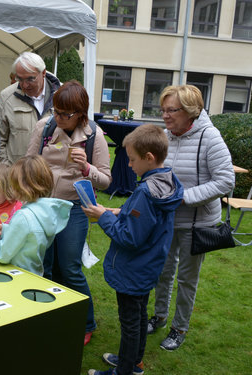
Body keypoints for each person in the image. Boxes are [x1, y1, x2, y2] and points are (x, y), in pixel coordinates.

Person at [84, 125, 184, 375]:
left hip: (133, 269)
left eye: (132, 159)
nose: (129, 165)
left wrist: (102, 218)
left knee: (130, 322)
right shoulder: (167, 181)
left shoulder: (145, 192)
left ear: (149, 158)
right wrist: (117, 211)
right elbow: (147, 221)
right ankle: (134, 362)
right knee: (139, 316)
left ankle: (123, 371)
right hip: (149, 265)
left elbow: (129, 237)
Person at [147, 85, 235, 351]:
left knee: (187, 279)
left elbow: (225, 181)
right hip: (166, 220)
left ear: (190, 111)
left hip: (197, 224)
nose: (165, 116)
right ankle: (160, 316)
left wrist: (184, 197)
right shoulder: (165, 136)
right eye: (162, 110)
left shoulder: (210, 137)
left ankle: (179, 328)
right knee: (163, 272)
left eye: (171, 110)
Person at [26, 80, 112, 345]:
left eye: (66, 114)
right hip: (42, 206)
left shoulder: (94, 135)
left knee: (70, 267)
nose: (59, 118)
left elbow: (106, 181)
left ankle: (86, 323)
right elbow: (27, 163)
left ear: (81, 114)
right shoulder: (45, 127)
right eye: (56, 111)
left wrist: (86, 168)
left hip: (73, 207)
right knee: (45, 266)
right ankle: (50, 315)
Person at [0, 155, 72, 276]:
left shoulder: (23, 216)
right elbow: (30, 236)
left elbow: (2, 254)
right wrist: (5, 229)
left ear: (22, 187)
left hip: (15, 275)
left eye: (13, 184)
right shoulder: (45, 211)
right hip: (32, 273)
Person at [0, 52, 60, 166]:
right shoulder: (6, 97)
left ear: (44, 73)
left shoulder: (62, 95)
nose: (25, 85)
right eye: (20, 79)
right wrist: (6, 170)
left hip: (53, 177)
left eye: (30, 79)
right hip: (16, 176)